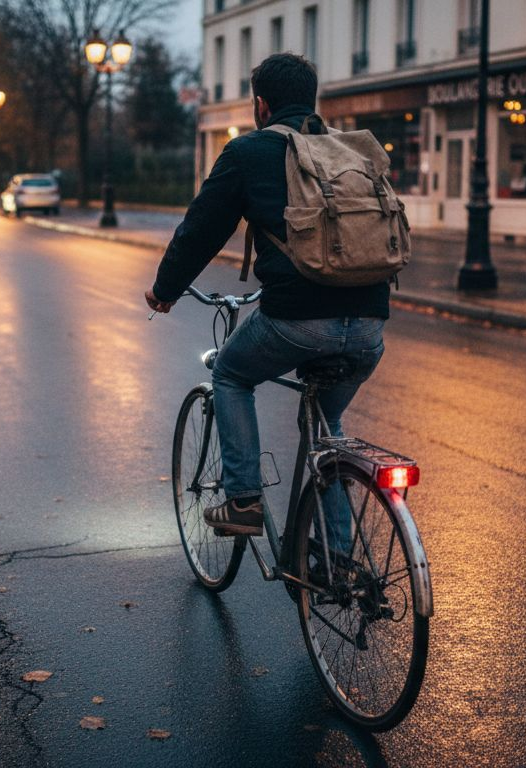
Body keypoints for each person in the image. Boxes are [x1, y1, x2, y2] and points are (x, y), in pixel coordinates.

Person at [144, 53, 389, 537]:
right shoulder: (354, 151)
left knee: (230, 374)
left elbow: (201, 230)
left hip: (297, 320)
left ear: (261, 105)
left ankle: (243, 501)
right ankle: (339, 563)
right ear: (311, 99)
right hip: (369, 323)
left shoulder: (248, 152)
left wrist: (165, 290)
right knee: (328, 429)